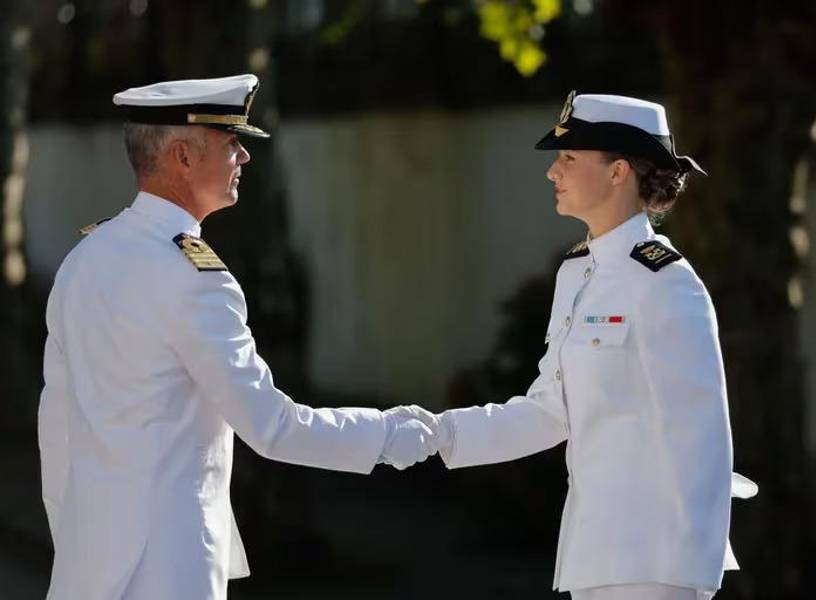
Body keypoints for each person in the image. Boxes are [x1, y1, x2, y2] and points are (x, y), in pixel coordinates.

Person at [37, 74, 437, 600]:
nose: (244, 157)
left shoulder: (84, 259)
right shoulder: (193, 277)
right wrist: (386, 435)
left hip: (86, 566)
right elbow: (271, 426)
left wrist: (75, 545)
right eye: (231, 143)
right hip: (170, 568)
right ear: (183, 156)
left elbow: (57, 428)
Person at [402, 91, 757, 600]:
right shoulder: (577, 273)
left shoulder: (666, 281)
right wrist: (436, 435)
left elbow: (702, 439)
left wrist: (692, 577)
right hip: (595, 557)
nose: (553, 171)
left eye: (569, 157)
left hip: (657, 565)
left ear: (618, 172)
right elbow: (550, 412)